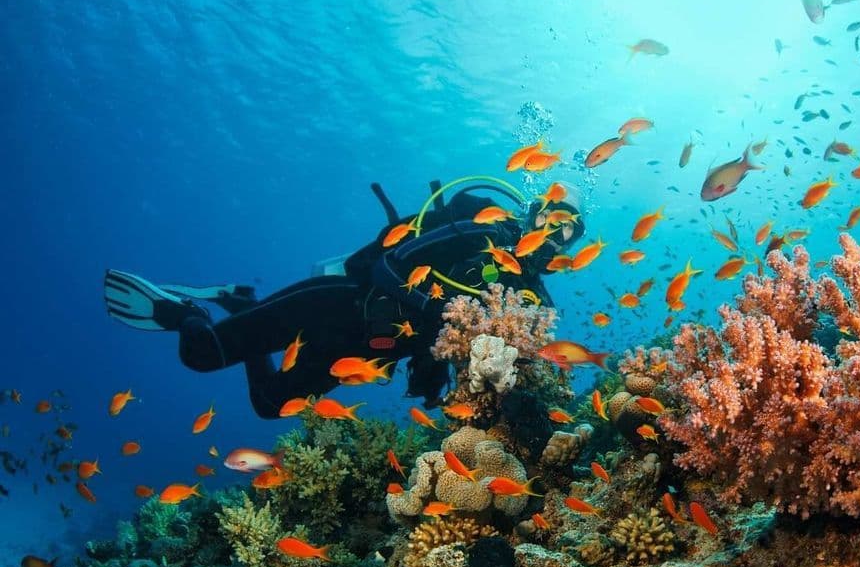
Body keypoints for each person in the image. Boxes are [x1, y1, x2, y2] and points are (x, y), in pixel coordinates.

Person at [103, 178, 584, 419]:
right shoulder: (480, 231)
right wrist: (438, 311)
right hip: (341, 303)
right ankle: (184, 312)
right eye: (554, 218)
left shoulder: (531, 300)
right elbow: (387, 267)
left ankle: (243, 304)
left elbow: (476, 355)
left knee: (270, 406)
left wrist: (439, 371)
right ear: (535, 211)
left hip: (363, 353)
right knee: (201, 354)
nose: (557, 236)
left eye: (571, 233)